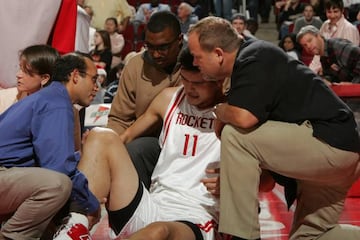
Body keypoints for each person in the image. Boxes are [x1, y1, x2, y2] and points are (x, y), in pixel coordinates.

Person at [187, 16, 360, 240]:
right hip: (341, 153)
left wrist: (219, 110)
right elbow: (266, 182)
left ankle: (243, 236)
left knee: (235, 135)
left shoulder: (253, 56)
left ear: (218, 54)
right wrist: (235, 180)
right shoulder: (255, 58)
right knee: (312, 236)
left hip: (329, 143)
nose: (195, 63)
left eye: (197, 56)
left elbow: (243, 118)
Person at [69, 47, 230, 240]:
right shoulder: (170, 98)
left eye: (197, 83)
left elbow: (262, 177)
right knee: (101, 135)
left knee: (158, 232)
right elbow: (126, 137)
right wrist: (96, 154)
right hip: (153, 203)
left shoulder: (234, 114)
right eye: (185, 80)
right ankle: (75, 226)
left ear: (218, 80)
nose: (189, 89)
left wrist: (232, 183)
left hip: (195, 216)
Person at [0, 52, 102, 239]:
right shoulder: (56, 103)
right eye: (93, 79)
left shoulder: (48, 98)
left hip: (8, 175)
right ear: (75, 76)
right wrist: (91, 205)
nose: (96, 87)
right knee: (58, 185)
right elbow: (59, 168)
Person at [107, 11, 184, 188]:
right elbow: (119, 118)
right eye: (150, 46)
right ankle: (136, 209)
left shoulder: (196, 62)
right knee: (131, 149)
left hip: (188, 141)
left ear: (179, 40)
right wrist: (112, 147)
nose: (156, 54)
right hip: (146, 141)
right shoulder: (135, 65)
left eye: (163, 47)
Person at [0, 44, 60, 114]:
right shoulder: (4, 98)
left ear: (44, 78)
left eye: (26, 71)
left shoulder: (60, 110)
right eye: (20, 68)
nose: (18, 75)